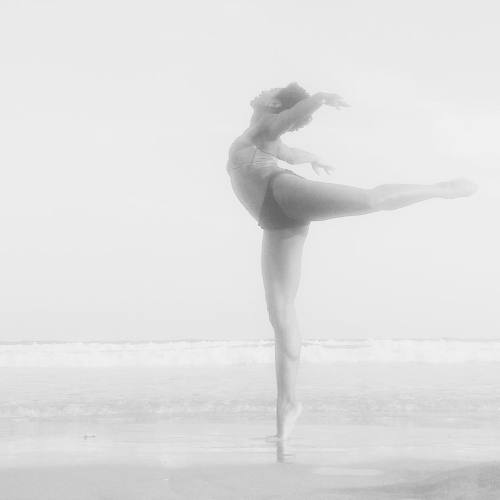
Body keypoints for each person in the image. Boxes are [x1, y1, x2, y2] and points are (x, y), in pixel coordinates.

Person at [226, 82, 477, 442]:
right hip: (276, 219)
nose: (262, 91)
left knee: (371, 200)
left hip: (283, 193)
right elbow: (290, 149)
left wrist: (319, 100)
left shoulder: (263, 128)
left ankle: (439, 189)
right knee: (279, 311)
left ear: (276, 104)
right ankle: (287, 409)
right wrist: (313, 157)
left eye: (271, 92)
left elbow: (285, 123)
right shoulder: (263, 138)